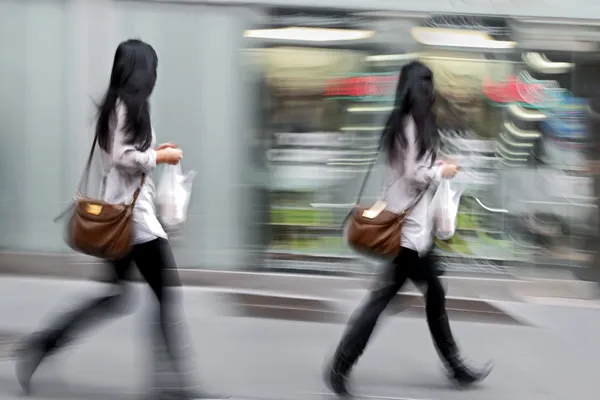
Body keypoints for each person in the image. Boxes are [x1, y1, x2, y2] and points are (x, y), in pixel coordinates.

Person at [14, 39, 221, 400]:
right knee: (165, 294)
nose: (155, 75)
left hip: (129, 216)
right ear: (139, 69)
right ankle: (174, 384)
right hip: (133, 220)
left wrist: (156, 152)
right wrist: (160, 158)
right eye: (152, 67)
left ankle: (41, 346)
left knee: (117, 296)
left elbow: (129, 155)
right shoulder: (123, 106)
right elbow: (123, 158)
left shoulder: (129, 106)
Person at [325, 61, 493, 397]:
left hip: (412, 231)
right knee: (389, 298)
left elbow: (413, 166)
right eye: (430, 85)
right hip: (406, 234)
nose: (434, 92)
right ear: (422, 89)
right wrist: (441, 171)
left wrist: (437, 162)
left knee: (431, 294)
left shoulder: (404, 123)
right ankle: (341, 365)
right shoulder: (410, 125)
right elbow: (416, 175)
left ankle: (454, 367)